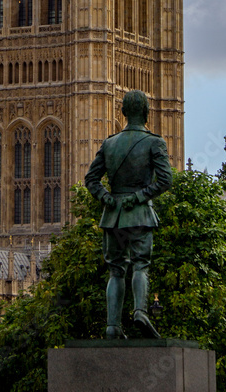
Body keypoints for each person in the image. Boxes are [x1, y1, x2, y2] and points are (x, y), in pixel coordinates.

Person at [84, 89, 173, 339]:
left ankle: (113, 326)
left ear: (123, 112)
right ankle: (140, 311)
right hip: (139, 214)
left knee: (116, 270)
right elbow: (165, 180)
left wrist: (106, 197)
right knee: (140, 265)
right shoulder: (154, 142)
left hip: (113, 216)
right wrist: (141, 196)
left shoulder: (109, 143)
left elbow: (91, 179)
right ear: (146, 112)